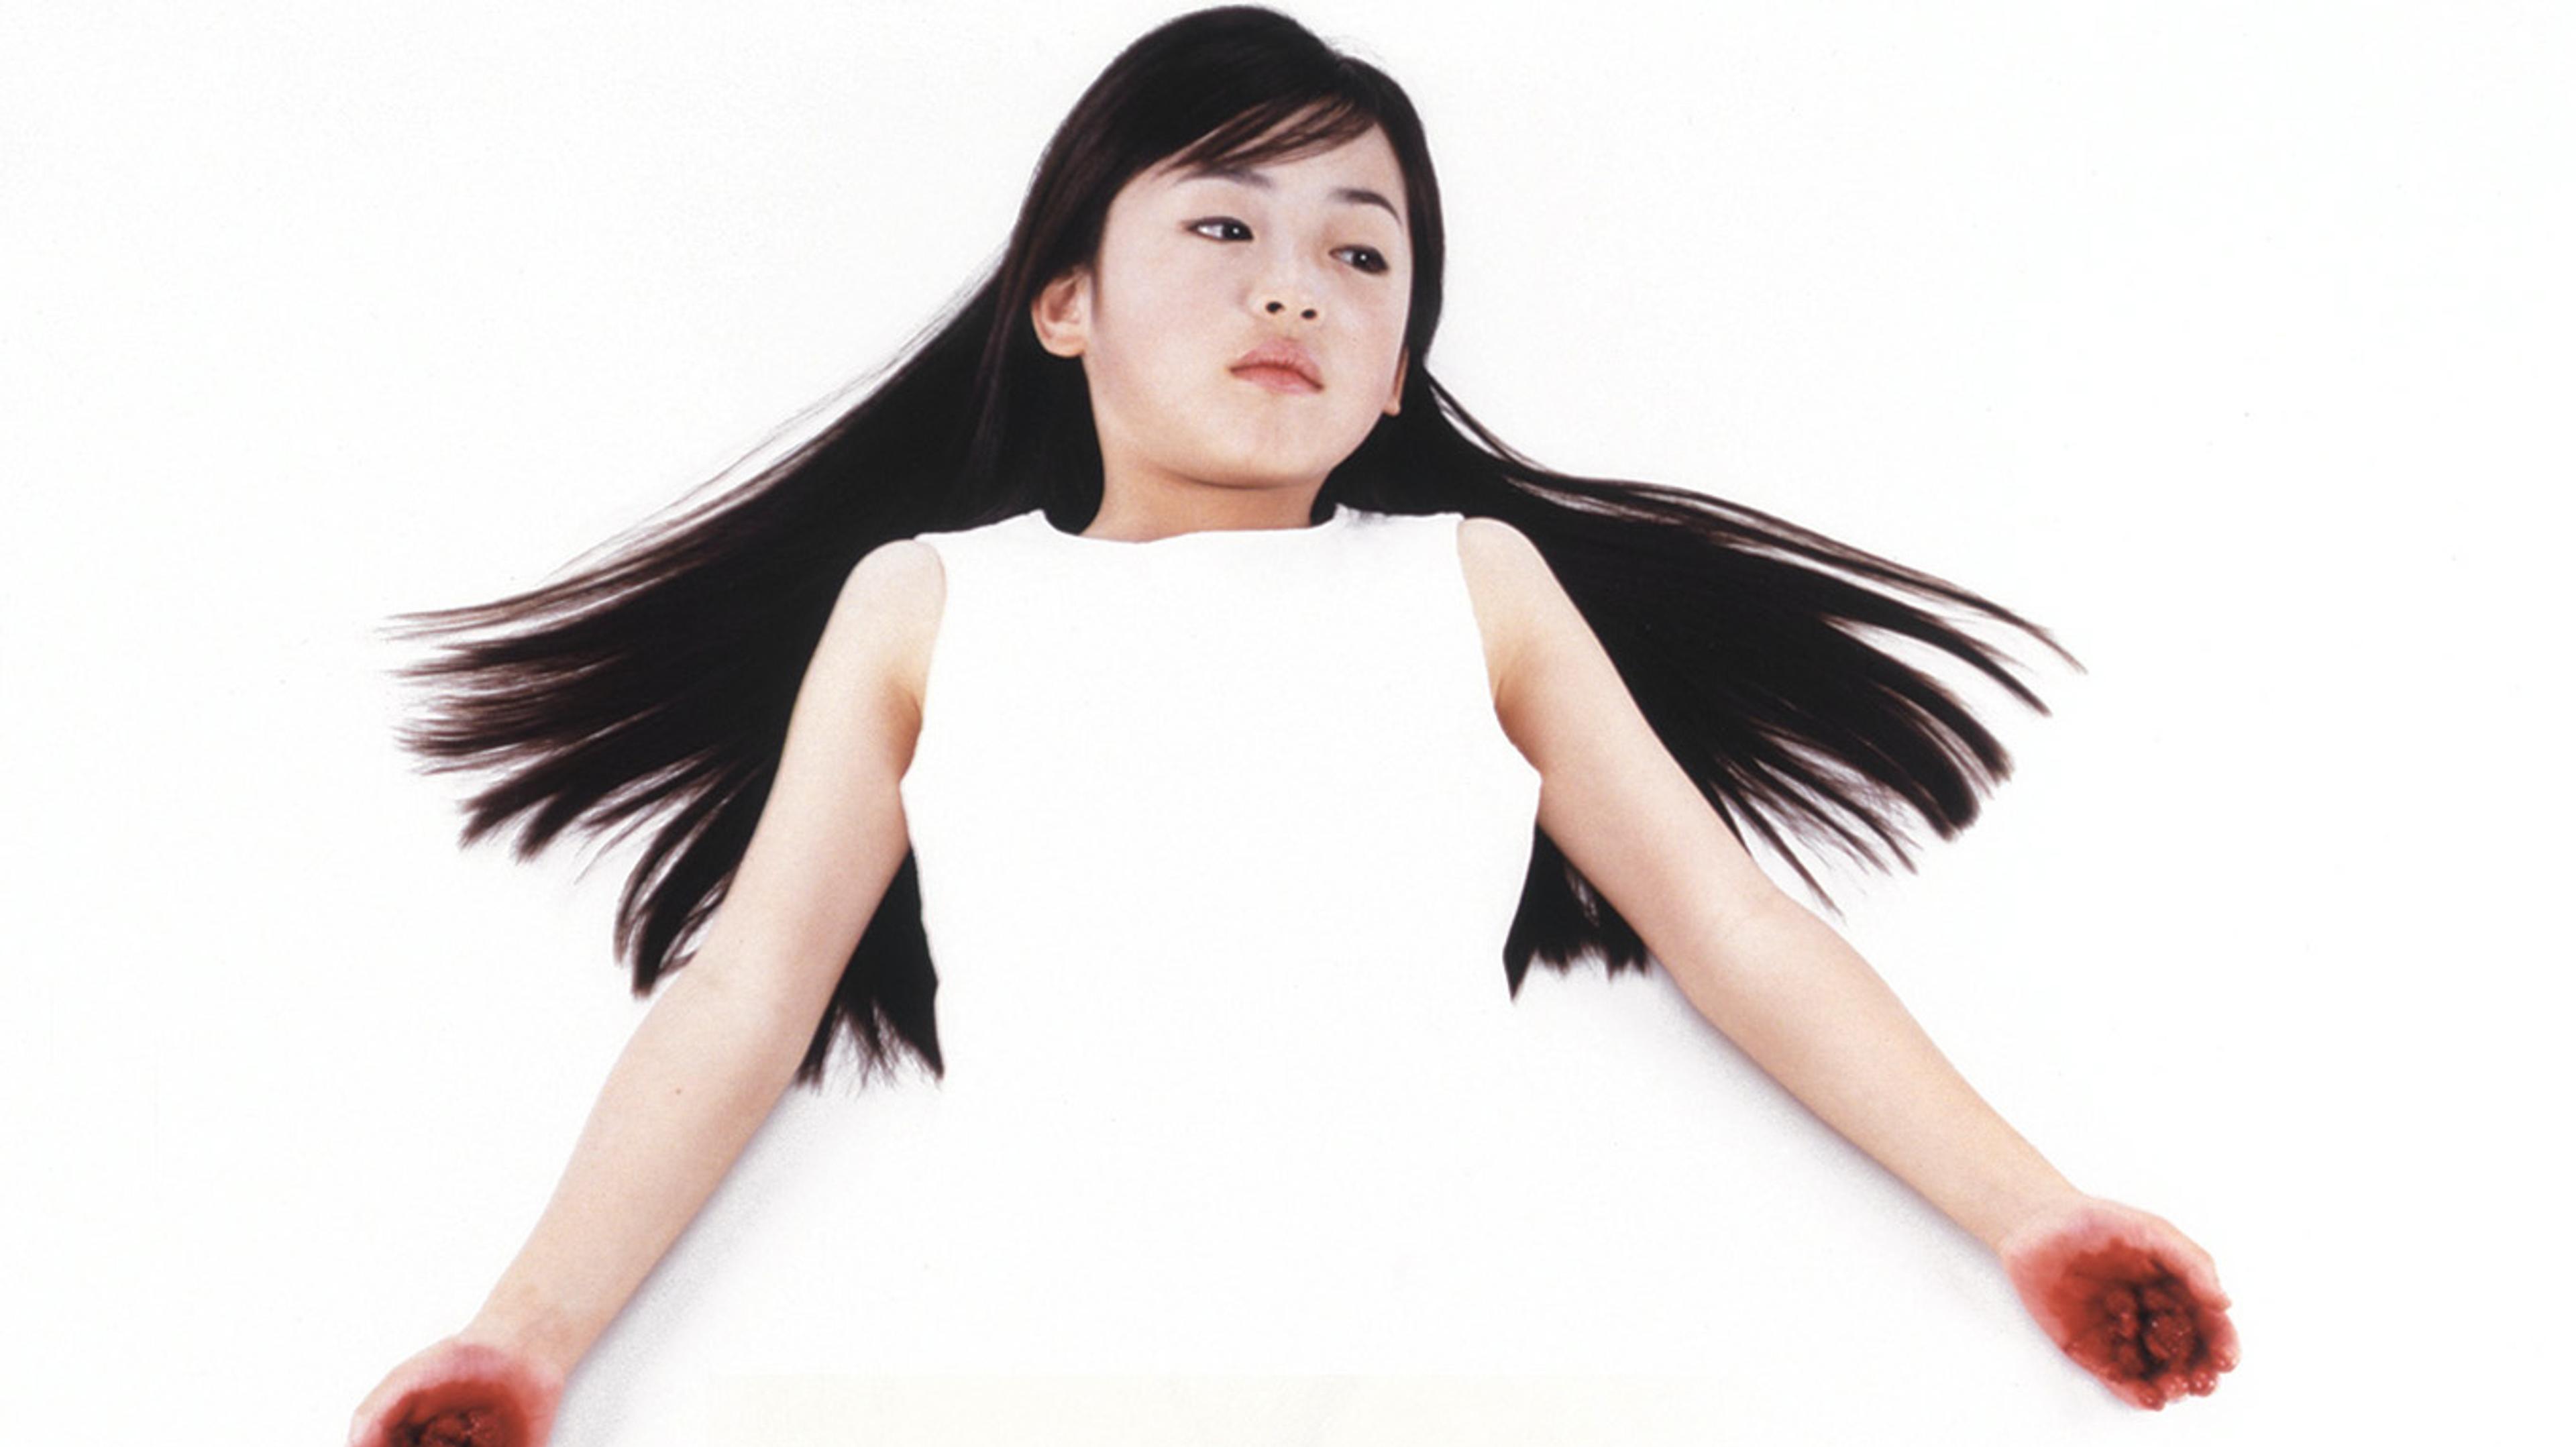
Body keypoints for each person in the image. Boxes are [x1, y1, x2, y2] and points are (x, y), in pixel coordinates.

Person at [347, 7, 2239, 1442]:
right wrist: (523, 1340)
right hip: (1032, 1355)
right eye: (1222, 222)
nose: (1291, 284)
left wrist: (2040, 1217)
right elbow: (749, 991)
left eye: (1360, 255)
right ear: (1064, 302)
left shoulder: (1471, 584)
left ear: (1400, 368)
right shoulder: (932, 604)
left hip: (1456, 1347)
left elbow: (1731, 925)